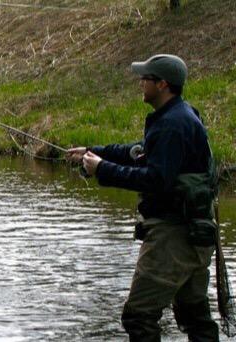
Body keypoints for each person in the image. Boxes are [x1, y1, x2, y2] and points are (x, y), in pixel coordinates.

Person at [65, 54, 219, 341]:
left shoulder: (173, 125)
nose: (140, 82)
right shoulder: (179, 115)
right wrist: (94, 150)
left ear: (162, 84)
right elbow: (140, 151)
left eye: (145, 78)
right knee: (194, 315)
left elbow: (156, 180)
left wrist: (102, 169)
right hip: (193, 232)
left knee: (138, 316)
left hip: (173, 236)